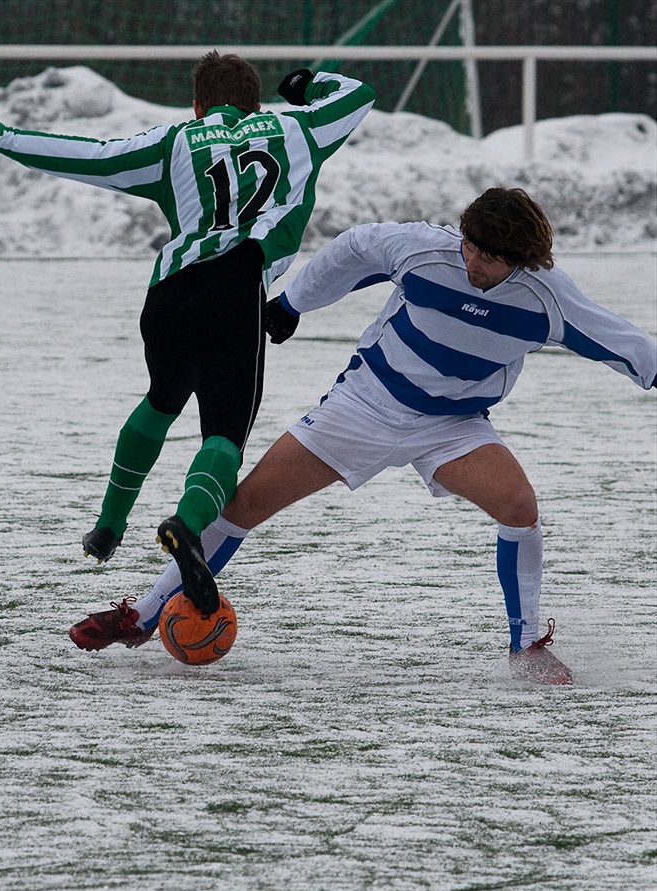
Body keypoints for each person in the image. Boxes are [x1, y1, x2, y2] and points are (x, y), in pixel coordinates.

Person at [70, 186, 656, 683]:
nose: (473, 261)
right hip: (364, 404)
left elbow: (628, 346)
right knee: (243, 504)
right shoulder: (425, 252)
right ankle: (142, 617)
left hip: (452, 427)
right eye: (470, 246)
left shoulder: (549, 299)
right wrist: (294, 303)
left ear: (523, 259)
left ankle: (527, 648)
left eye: (489, 258)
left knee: (519, 506)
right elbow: (355, 247)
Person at [0, 54, 375, 613]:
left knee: (161, 398)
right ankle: (188, 524)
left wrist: (3, 136)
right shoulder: (299, 128)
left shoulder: (176, 141)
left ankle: (107, 526)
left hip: (169, 292)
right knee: (224, 433)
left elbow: (96, 157)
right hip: (237, 288)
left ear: (198, 105)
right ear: (255, 102)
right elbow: (358, 94)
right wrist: (304, 85)